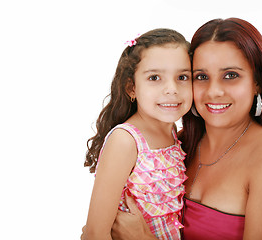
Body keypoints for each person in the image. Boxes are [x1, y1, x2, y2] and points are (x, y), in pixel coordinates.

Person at [110, 18, 262, 240]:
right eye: (201, 77)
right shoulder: (176, 148)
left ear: (257, 82)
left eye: (230, 75)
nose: (214, 92)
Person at [82, 28, 193, 239]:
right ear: (131, 88)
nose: (172, 88)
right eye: (154, 77)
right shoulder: (126, 141)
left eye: (182, 77)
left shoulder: (173, 133)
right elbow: (96, 233)